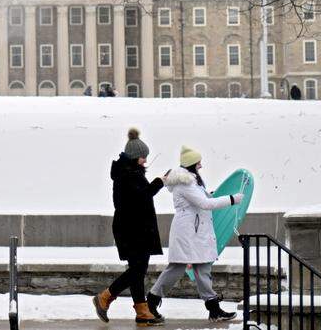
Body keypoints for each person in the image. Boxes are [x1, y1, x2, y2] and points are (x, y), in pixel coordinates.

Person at [146, 145, 244, 323]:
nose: (201, 165)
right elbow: (204, 204)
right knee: (177, 268)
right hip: (187, 232)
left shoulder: (191, 181)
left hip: (196, 230)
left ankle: (214, 309)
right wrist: (231, 199)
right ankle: (151, 301)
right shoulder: (185, 182)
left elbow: (201, 199)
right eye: (199, 162)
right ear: (191, 164)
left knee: (203, 268)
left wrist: (212, 194)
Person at [92, 128, 165, 325]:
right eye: (143, 157)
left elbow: (141, 195)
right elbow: (140, 197)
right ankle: (105, 297)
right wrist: (159, 182)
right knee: (137, 270)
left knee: (138, 270)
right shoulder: (127, 175)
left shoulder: (132, 172)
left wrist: (156, 183)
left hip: (136, 229)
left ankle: (142, 312)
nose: (145, 160)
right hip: (131, 229)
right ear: (134, 157)